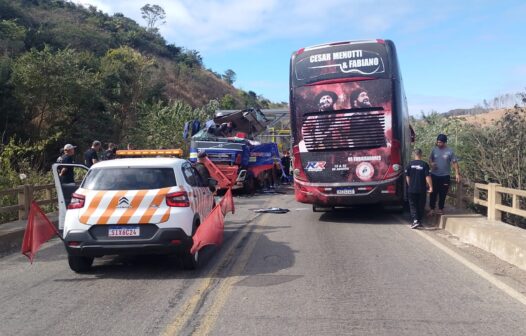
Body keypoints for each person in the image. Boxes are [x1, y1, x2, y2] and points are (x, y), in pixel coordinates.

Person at [429, 134, 461, 215]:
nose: (439, 143)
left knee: (443, 193)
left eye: (440, 142)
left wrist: (457, 174)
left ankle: (440, 209)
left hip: (445, 176)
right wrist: (432, 163)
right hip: (434, 175)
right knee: (433, 193)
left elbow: (454, 162)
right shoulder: (434, 150)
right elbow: (430, 159)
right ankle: (432, 209)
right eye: (438, 142)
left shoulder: (450, 151)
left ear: (444, 142)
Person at [405, 148, 433, 229]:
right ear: (421, 154)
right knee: (421, 205)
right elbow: (427, 177)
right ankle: (418, 221)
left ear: (414, 155)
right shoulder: (425, 164)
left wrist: (410, 185)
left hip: (412, 189)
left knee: (413, 205)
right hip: (422, 189)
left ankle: (415, 221)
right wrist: (431, 187)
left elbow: (407, 177)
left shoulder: (409, 164)